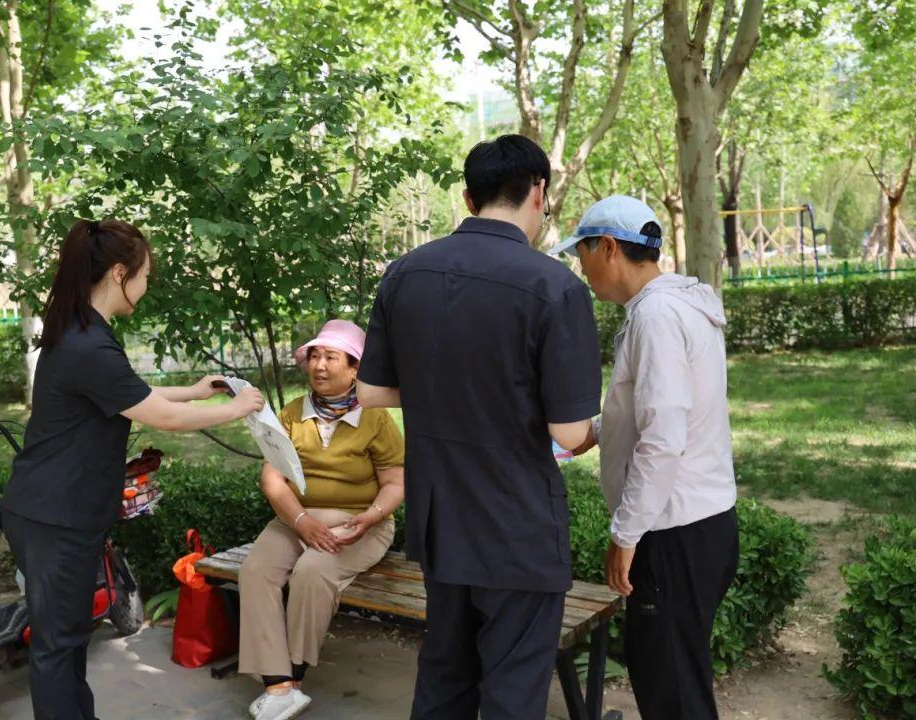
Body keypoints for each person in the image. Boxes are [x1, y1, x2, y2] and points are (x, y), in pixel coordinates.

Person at [356, 134, 602, 719]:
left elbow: (370, 392)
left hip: (442, 521)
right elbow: (570, 433)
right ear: (539, 193)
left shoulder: (404, 273)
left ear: (469, 199)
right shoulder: (556, 287)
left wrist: (443, 393)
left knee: (444, 678)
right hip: (517, 526)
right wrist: (610, 425)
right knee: (512, 695)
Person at [1, 219, 264, 720]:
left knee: (68, 637)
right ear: (119, 273)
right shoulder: (87, 343)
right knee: (58, 645)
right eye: (144, 275)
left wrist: (194, 390)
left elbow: (127, 394)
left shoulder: (81, 330)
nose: (146, 285)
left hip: (54, 511)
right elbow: (161, 417)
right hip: (54, 517)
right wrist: (236, 408)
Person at [554, 195, 739, 720]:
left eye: (582, 253)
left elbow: (662, 438)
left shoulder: (656, 315)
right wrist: (597, 432)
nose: (581, 267)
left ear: (609, 248)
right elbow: (665, 409)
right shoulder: (678, 304)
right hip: (703, 523)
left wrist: (625, 535)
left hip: (672, 532)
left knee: (671, 689)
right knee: (675, 675)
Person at [238, 319, 405, 720]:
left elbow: (396, 483)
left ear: (354, 368)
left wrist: (370, 517)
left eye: (331, 357)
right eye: (314, 356)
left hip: (360, 524)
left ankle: (294, 678)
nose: (319, 365)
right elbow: (272, 479)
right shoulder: (292, 413)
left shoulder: (376, 417)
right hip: (296, 519)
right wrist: (299, 521)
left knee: (313, 571)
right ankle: (278, 685)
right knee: (255, 570)